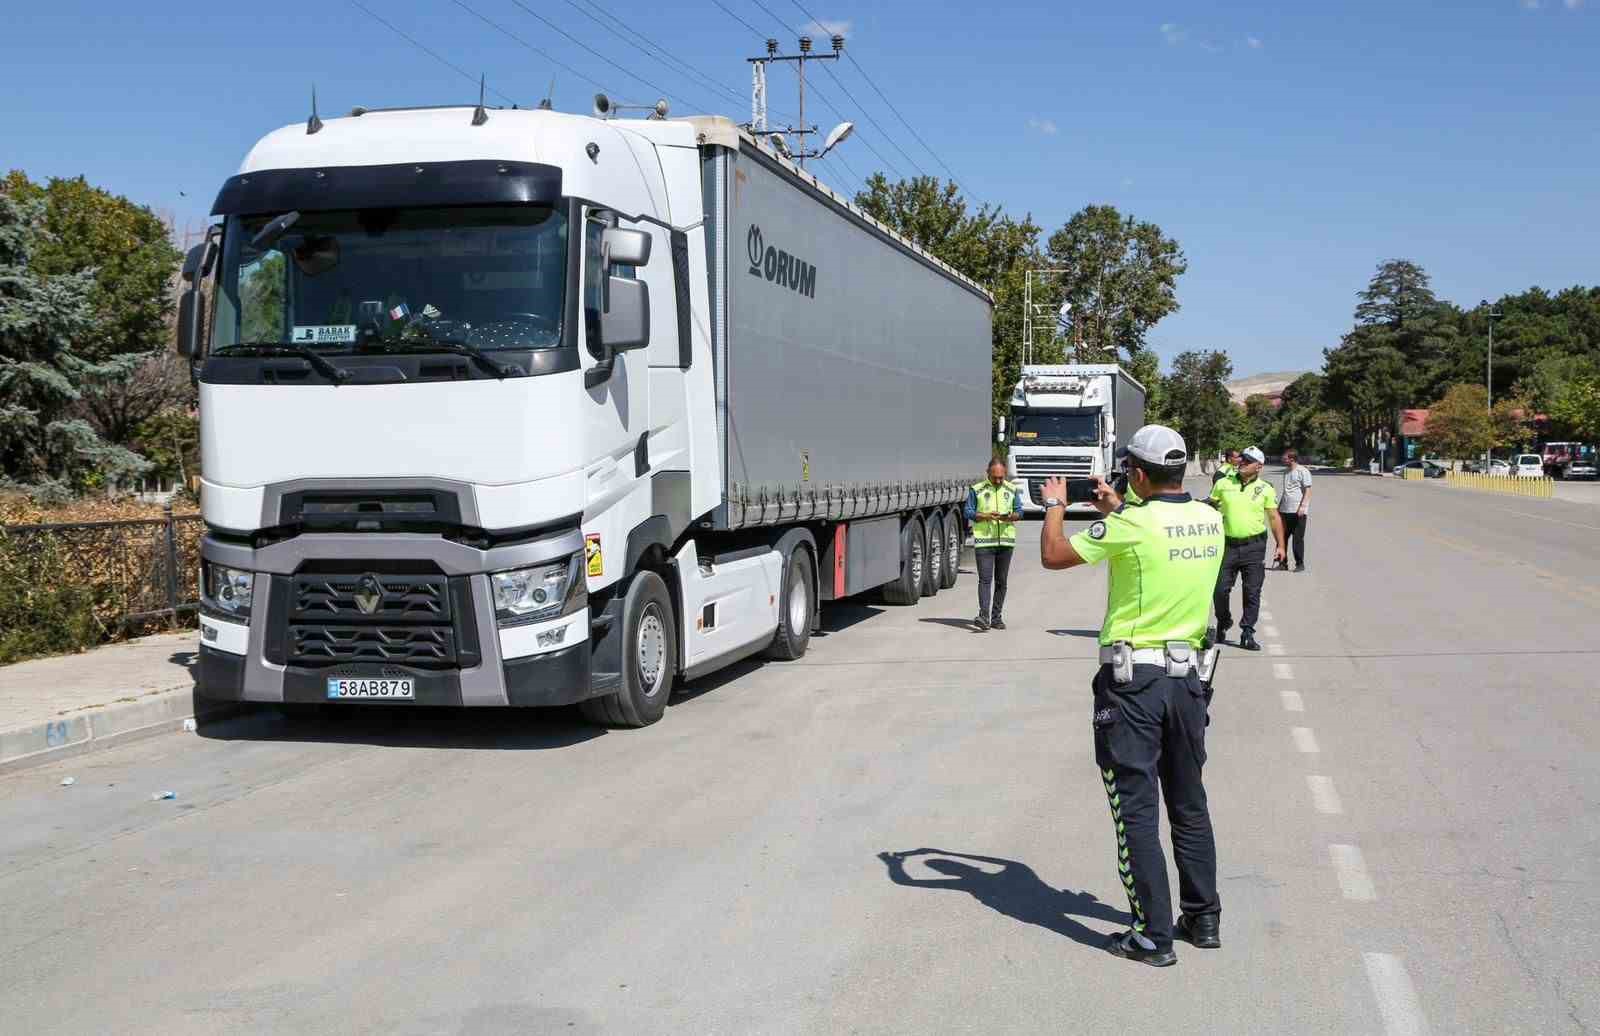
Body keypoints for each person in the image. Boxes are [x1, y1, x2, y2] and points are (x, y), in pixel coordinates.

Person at [1039, 425, 1225, 967]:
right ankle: (1202, 916)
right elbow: (1157, 531)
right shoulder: (1208, 518)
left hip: (1133, 687)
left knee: (1136, 811)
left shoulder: (1130, 524)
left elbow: (1054, 554)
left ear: (1139, 474)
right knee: (1189, 803)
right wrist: (1119, 504)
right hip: (1189, 683)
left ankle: (1151, 936)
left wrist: (1056, 505)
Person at [1208, 446, 1285, 651]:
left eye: (1248, 461)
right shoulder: (1222, 484)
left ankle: (1247, 632)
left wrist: (1281, 546)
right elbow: (1210, 508)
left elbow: (1274, 517)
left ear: (1259, 466)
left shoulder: (1266, 488)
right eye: (1242, 458)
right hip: (1226, 545)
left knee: (1252, 591)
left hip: (1254, 546)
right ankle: (1223, 621)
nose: (1242, 462)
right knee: (1220, 590)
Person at [965, 458, 1022, 631]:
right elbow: (968, 511)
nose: (998, 481)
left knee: (1001, 581)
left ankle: (997, 617)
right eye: (994, 477)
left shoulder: (1011, 489)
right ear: (987, 473)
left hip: (1005, 542)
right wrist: (985, 516)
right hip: (984, 542)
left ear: (1005, 474)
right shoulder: (977, 490)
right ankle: (984, 616)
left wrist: (1011, 516)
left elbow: (1019, 511)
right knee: (985, 580)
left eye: (1001, 477)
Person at [1277, 449, 1312, 572]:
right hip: (1284, 509)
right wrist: (1279, 508)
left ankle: (1299, 564)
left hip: (1297, 511)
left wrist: (1303, 506)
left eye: (1285, 458)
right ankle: (1282, 563)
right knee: (1282, 537)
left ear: (1292, 459)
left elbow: (1308, 490)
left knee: (1297, 538)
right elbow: (1286, 491)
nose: (1283, 460)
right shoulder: (1286, 472)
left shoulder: (1303, 471)